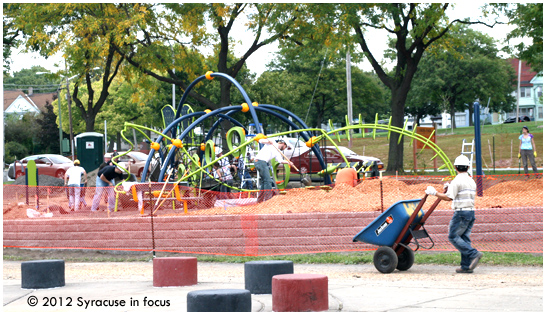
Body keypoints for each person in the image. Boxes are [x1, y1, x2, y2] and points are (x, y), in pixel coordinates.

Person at [425, 154, 483, 273]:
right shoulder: (471, 181)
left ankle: (474, 254)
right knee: (464, 238)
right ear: (468, 167)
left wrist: (434, 193)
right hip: (471, 212)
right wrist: (450, 186)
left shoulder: (457, 181)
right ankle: (466, 266)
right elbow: (460, 192)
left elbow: (448, 198)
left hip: (461, 213)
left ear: (456, 167)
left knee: (453, 236)